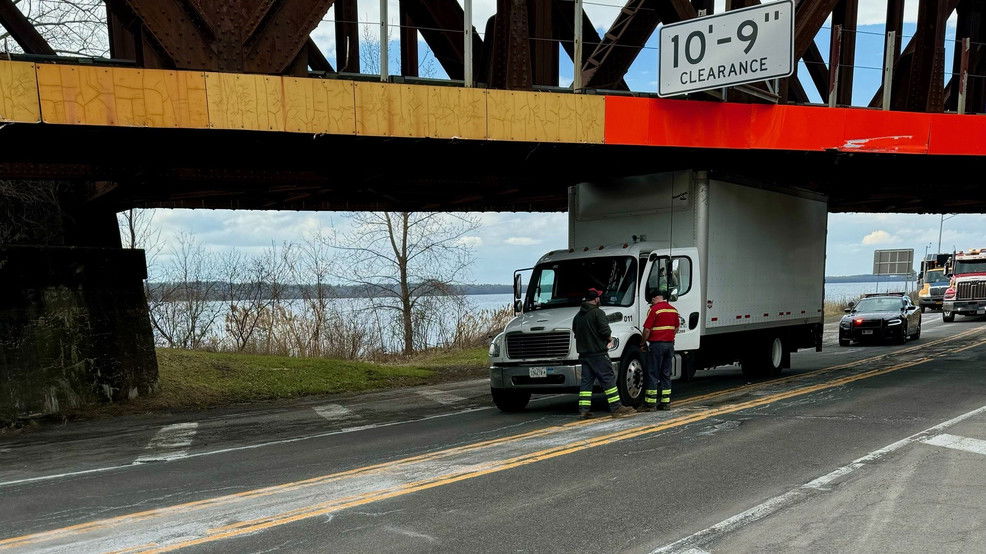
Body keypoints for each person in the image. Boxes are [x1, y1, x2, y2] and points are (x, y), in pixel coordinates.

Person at [572, 288, 636, 420]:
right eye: (598, 298)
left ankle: (584, 410)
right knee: (608, 380)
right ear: (595, 299)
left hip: (584, 355)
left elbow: (575, 332)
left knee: (586, 383)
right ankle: (616, 408)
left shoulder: (577, 316)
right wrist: (609, 339)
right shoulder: (597, 312)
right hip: (598, 354)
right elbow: (605, 330)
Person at [639, 292, 679, 411]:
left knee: (652, 373)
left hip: (657, 345)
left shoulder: (655, 310)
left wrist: (642, 343)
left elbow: (646, 330)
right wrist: (669, 336)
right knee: (666, 373)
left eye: (652, 299)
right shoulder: (674, 310)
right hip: (669, 344)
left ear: (656, 298)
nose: (651, 302)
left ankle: (650, 404)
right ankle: (665, 403)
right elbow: (676, 328)